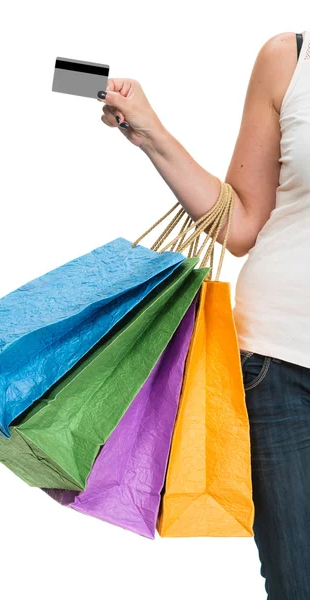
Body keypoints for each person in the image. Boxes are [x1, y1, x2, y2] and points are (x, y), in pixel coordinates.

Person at [97, 30, 310, 600]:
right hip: (281, 364)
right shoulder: (289, 58)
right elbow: (241, 224)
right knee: (297, 582)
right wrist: (151, 134)